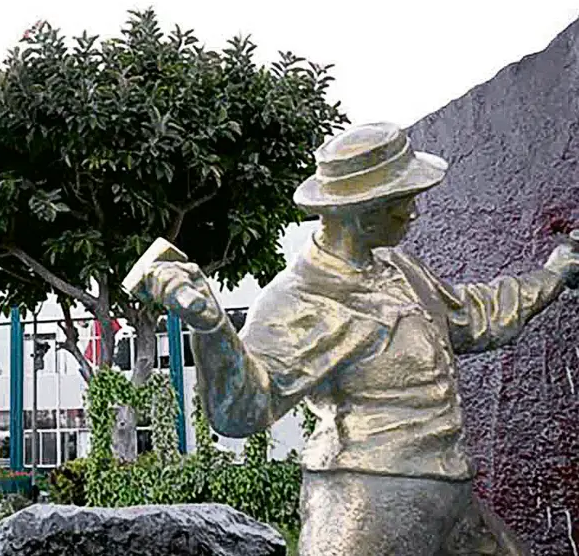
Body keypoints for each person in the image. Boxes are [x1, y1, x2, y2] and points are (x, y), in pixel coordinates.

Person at [137, 122, 579, 555]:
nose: (413, 212)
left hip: (451, 499)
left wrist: (554, 274)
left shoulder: (398, 268)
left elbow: (471, 315)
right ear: (365, 214)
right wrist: (211, 328)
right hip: (370, 504)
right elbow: (243, 410)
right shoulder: (298, 300)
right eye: (402, 202)